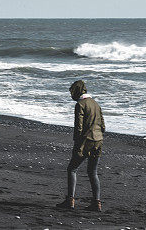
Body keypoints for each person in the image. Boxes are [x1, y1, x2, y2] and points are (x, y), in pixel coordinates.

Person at [56, 79, 105, 212]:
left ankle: (70, 200)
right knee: (93, 172)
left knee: (72, 169)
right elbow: (103, 125)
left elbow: (79, 126)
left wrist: (77, 143)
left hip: (85, 141)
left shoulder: (80, 104)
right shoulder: (96, 104)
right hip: (98, 140)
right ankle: (97, 202)